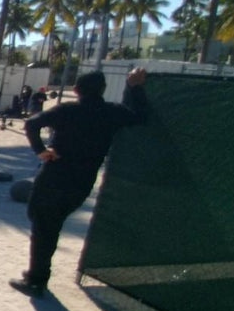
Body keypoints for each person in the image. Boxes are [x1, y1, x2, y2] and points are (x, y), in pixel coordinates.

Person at [9, 68, 150, 297]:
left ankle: (36, 280)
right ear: (102, 90)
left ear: (76, 90)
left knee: (43, 224)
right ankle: (36, 273)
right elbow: (141, 116)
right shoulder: (112, 113)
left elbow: (32, 124)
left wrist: (41, 151)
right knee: (50, 224)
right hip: (83, 181)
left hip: (55, 176)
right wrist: (136, 87)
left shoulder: (68, 110)